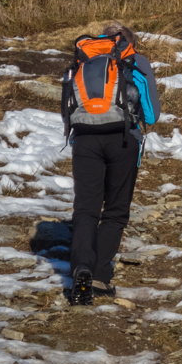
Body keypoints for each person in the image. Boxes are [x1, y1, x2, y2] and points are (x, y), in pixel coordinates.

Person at [62, 23, 161, 305]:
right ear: (127, 41)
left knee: (85, 210)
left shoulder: (81, 59)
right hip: (123, 141)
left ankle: (80, 266)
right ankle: (98, 276)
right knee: (115, 211)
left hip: (84, 141)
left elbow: (66, 111)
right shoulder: (134, 60)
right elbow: (152, 115)